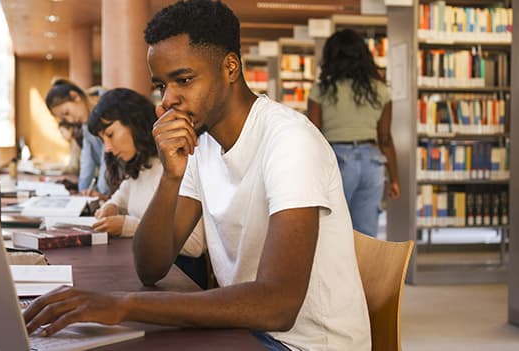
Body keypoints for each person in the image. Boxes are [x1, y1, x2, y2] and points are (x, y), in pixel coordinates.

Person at [24, 1, 370, 350]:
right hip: (246, 330)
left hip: (303, 344)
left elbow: (277, 306)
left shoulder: (290, 141)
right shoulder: (201, 146)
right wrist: (171, 177)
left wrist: (122, 304)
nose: (167, 101)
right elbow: (151, 267)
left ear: (230, 67)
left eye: (184, 80)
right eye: (161, 86)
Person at [87, 87, 207, 288]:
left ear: (133, 123)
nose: (107, 147)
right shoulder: (142, 164)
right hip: (149, 274)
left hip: (180, 278)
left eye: (110, 134)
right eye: (102, 140)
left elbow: (195, 245)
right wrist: (111, 206)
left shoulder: (177, 164)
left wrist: (128, 225)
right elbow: (121, 196)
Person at [307, 29, 401, 237]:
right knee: (366, 234)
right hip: (372, 163)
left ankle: (335, 270)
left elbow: (313, 136)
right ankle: (363, 270)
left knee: (331, 231)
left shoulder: (321, 91)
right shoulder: (380, 90)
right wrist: (394, 178)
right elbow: (385, 138)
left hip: (336, 161)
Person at [45, 79, 108, 196]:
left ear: (75, 96)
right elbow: (87, 160)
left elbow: (107, 158)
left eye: (67, 112)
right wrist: (82, 191)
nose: (70, 120)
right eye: (64, 119)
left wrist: (101, 192)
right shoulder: (86, 126)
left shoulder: (107, 110)